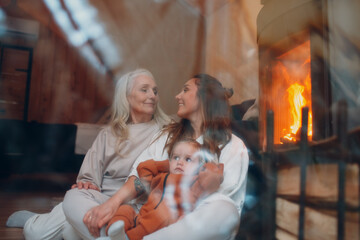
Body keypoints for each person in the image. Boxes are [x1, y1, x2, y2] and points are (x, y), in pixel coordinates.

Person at [67, 73, 249, 240]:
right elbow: (140, 178)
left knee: (226, 211)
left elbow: (222, 199)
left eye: (185, 90)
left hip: (186, 225)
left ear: (205, 97)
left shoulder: (233, 147)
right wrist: (112, 204)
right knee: (75, 196)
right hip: (146, 216)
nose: (177, 96)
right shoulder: (167, 135)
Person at [6, 68, 170, 240]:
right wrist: (88, 184)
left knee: (70, 232)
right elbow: (89, 177)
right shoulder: (108, 134)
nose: (152, 95)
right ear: (127, 96)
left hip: (133, 206)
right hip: (98, 201)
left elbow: (152, 176)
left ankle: (81, 225)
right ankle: (35, 220)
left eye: (155, 91)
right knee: (37, 233)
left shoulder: (165, 132)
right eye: (144, 89)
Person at [101, 138, 224, 240]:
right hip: (141, 217)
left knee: (160, 215)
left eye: (187, 159)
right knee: (125, 209)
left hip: (165, 223)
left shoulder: (193, 181)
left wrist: (207, 170)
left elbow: (213, 178)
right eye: (176, 157)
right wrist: (165, 165)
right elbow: (143, 168)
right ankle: (114, 234)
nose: (180, 162)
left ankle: (126, 238)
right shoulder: (160, 177)